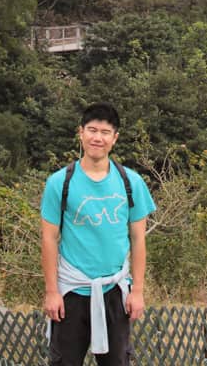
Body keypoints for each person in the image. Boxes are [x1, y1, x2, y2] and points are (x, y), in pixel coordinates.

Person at [41, 102, 156, 366]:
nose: (97, 138)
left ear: (114, 139)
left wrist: (137, 290)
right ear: (80, 133)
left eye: (105, 132)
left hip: (115, 290)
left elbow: (138, 239)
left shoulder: (131, 182)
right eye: (92, 130)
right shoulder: (60, 182)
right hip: (72, 289)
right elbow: (49, 239)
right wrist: (51, 291)